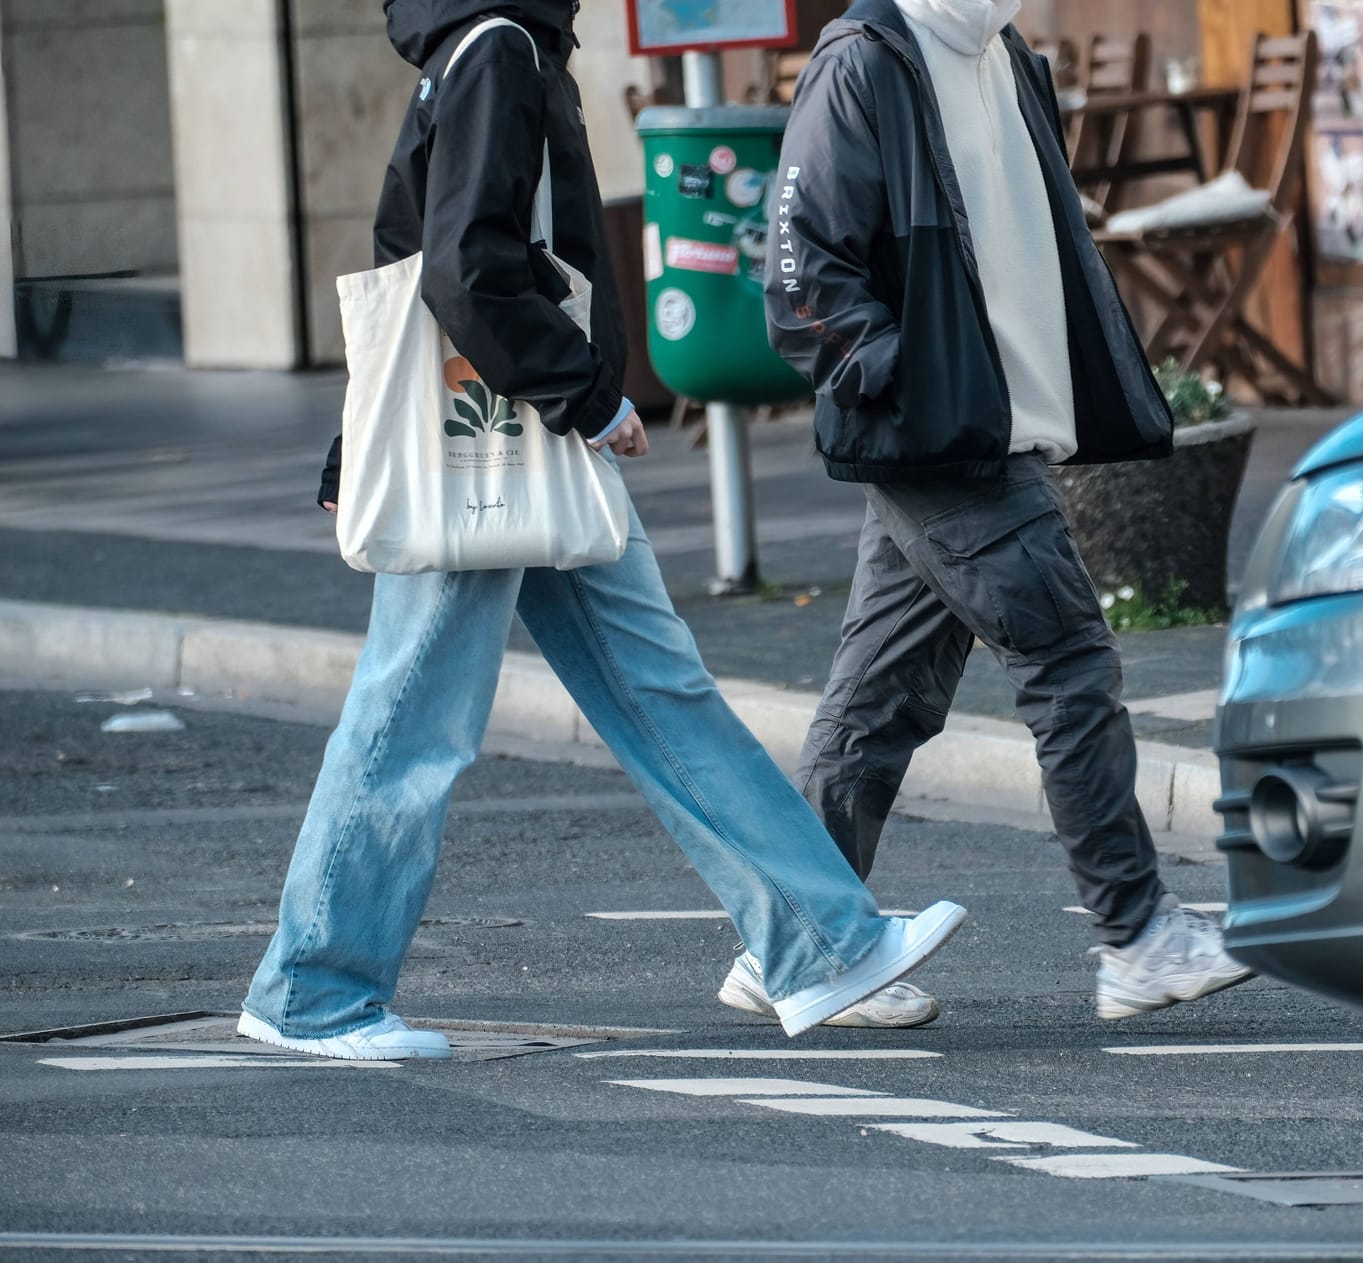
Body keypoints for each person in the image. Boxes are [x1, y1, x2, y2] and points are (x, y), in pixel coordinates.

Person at [237, 0, 965, 1062]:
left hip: (513, 431)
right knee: (413, 716)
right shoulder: (497, 48)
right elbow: (459, 267)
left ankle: (820, 943)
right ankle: (311, 987)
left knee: (659, 691)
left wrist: (368, 450)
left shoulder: (489, 45)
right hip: (501, 433)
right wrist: (586, 396)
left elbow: (408, 254)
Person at [752, 0, 1252, 1026]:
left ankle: (796, 944)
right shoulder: (865, 63)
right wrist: (915, 383)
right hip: (945, 440)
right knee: (1069, 661)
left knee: (880, 699)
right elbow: (799, 270)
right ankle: (1139, 934)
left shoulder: (1006, 56)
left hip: (991, 425)